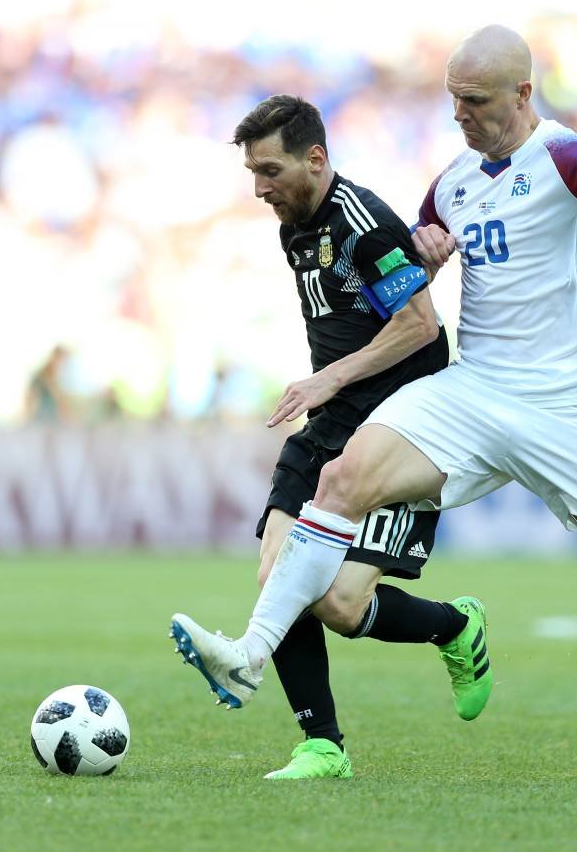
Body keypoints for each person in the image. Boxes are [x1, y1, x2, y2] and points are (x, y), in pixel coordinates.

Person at [174, 25, 577, 785]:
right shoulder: (451, 180)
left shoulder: (566, 157)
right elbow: (415, 258)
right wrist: (426, 249)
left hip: (567, 406)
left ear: (521, 93)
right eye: (453, 102)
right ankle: (250, 655)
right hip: (474, 391)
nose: (461, 116)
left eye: (476, 102)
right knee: (341, 479)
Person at [171, 95, 492, 780]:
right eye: (252, 172)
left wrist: (325, 380)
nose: (259, 188)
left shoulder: (363, 222)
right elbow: (367, 305)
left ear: (316, 159)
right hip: (331, 425)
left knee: (341, 606)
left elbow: (418, 325)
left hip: (398, 428)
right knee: (277, 575)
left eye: (270, 169)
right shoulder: (294, 225)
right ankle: (322, 745)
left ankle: (454, 626)